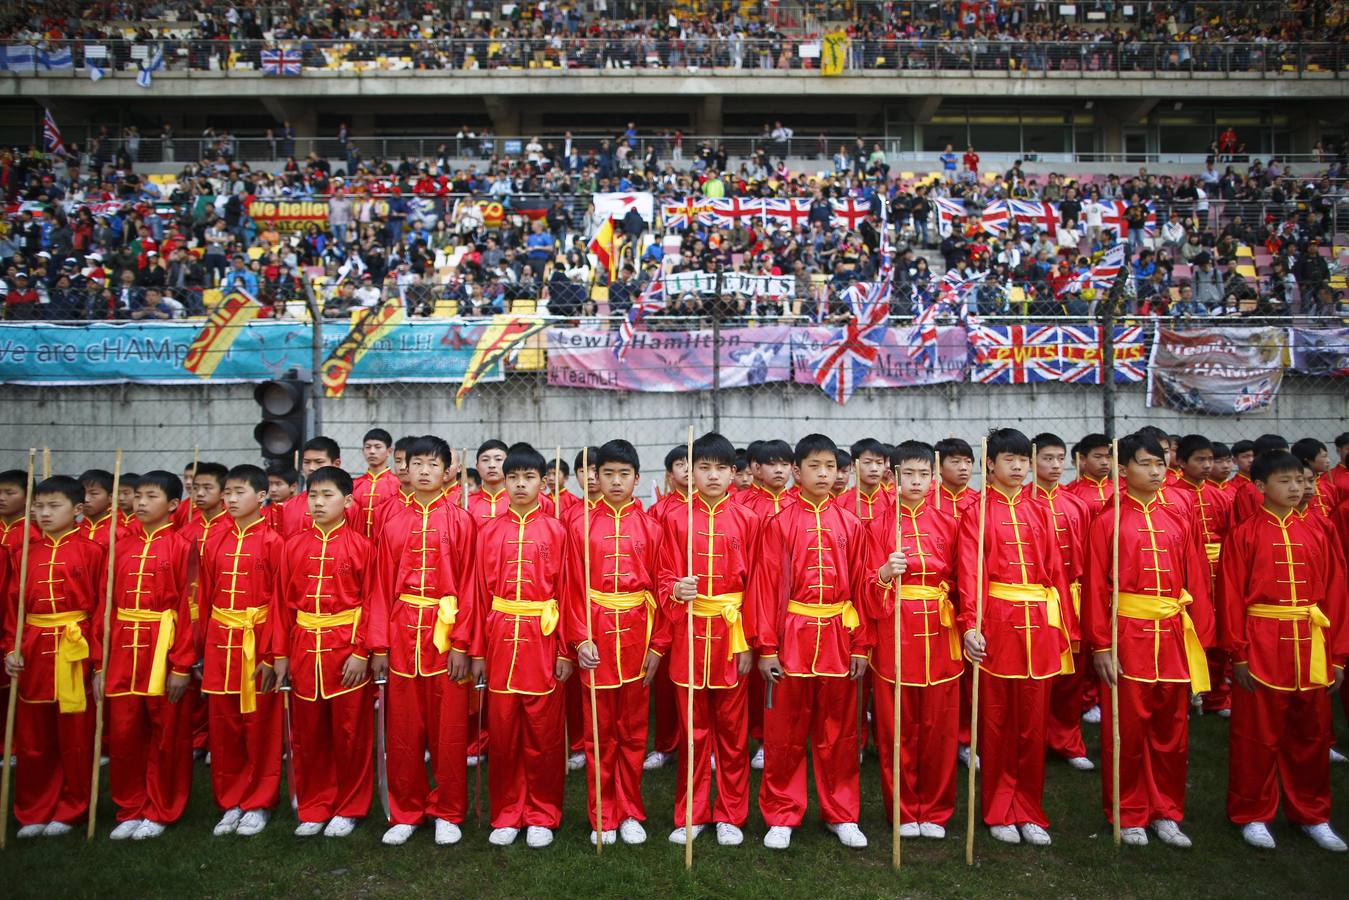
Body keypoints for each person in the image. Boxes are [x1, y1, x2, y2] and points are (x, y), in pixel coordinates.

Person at [1084, 433, 1214, 848]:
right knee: (1126, 729)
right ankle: (1128, 811)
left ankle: (1167, 812)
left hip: (1174, 632)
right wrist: (1102, 645)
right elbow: (1094, 590)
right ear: (1123, 470)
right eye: (1145, 464)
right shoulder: (1108, 520)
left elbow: (1196, 577)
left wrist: (1201, 641)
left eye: (1161, 464)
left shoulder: (1180, 514)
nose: (1156, 472)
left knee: (1172, 729)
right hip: (1128, 634)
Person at [1219, 450, 1348, 852]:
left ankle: (1312, 813)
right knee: (1256, 735)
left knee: (1310, 734)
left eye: (1300, 480)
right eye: (1285, 481)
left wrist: (1338, 654)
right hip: (1262, 641)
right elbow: (1230, 598)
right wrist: (1238, 654)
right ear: (1259, 487)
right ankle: (1253, 813)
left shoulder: (1320, 529)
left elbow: (1337, 594)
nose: (1296, 488)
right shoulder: (1244, 534)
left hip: (1311, 642)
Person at [751, 433, 874, 851]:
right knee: (784, 731)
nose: (824, 474)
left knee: (838, 733)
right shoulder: (779, 522)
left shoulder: (851, 523)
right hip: (791, 637)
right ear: (797, 472)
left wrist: (861, 645)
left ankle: (842, 812)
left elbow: (860, 586)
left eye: (830, 467)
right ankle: (782, 812)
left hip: (840, 636)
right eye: (814, 467)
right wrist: (766, 647)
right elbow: (765, 589)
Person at [959, 428, 1073, 846]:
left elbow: (1055, 572)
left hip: (1039, 625)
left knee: (1034, 723)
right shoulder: (977, 512)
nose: (1020, 466)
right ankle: (999, 807)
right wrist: (970, 624)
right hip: (998, 623)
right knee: (997, 723)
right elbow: (969, 573)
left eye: (1024, 459)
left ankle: (1030, 808)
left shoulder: (1041, 510)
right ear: (990, 463)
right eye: (1010, 459)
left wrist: (1063, 627)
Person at [368, 436, 479, 847]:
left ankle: (448, 810)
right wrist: (379, 645)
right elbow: (378, 585)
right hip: (401, 633)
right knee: (403, 730)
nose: (425, 471)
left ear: (448, 471)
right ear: (406, 469)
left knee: (449, 732)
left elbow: (471, 588)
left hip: (445, 635)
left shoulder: (462, 521)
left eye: (434, 464)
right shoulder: (391, 521)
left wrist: (463, 643)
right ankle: (407, 809)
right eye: (417, 463)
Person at [658, 432, 760, 847]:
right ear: (690, 472)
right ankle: (693, 811)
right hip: (689, 632)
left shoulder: (750, 520)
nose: (713, 475)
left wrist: (754, 642)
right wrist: (673, 590)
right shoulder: (674, 518)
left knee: (734, 734)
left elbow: (759, 586)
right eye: (704, 467)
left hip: (731, 634)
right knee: (694, 730)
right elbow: (661, 574)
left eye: (721, 468)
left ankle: (731, 813)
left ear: (734, 473)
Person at [564, 439, 667, 846]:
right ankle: (603, 814)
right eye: (607, 473)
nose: (616, 481)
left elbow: (662, 589)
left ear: (637, 479)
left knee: (633, 732)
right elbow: (570, 587)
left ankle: (630, 811)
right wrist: (578, 639)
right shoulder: (579, 525)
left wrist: (658, 646)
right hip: (596, 635)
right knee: (598, 733)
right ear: (596, 477)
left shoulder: (652, 528)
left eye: (624, 474)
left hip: (638, 637)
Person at [475, 444, 571, 849]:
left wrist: (566, 649)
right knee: (503, 732)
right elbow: (477, 595)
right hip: (499, 640)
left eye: (528, 477)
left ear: (542, 481)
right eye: (512, 477)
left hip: (542, 640)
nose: (519, 484)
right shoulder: (488, 532)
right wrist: (477, 651)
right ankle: (507, 811)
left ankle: (542, 813)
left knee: (543, 735)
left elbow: (568, 594)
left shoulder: (557, 531)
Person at [272, 466, 375, 838]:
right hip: (303, 649)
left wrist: (362, 651)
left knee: (351, 734)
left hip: (345, 650)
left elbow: (371, 603)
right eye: (313, 495)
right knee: (307, 733)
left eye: (327, 495)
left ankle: (351, 806)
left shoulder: (362, 547)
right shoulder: (293, 546)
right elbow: (281, 604)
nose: (318, 502)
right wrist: (280, 654)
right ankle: (315, 804)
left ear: (347, 501)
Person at [94, 469, 196, 840]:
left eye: (151, 497)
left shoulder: (184, 547)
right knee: (123, 732)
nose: (140, 503)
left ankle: (161, 806)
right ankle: (129, 805)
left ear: (172, 505)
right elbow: (103, 606)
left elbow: (190, 610)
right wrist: (99, 661)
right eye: (137, 496)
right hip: (122, 646)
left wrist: (182, 664)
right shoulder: (119, 545)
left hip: (162, 648)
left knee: (165, 732)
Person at [865, 441, 960, 839]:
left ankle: (935, 810)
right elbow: (865, 589)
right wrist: (885, 572)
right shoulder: (876, 525)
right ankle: (903, 809)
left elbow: (961, 583)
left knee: (939, 728)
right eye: (909, 474)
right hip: (895, 634)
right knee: (896, 727)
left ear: (934, 479)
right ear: (894, 477)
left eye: (924, 475)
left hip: (940, 634)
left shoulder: (951, 523)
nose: (917, 482)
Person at [2, 476, 104, 837]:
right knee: (33, 739)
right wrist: (11, 648)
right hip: (33, 651)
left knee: (75, 736)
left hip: (73, 651)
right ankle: (33, 809)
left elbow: (98, 610)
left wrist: (98, 663)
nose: (43, 513)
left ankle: (72, 806)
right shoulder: (23, 554)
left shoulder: (93, 552)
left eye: (53, 506)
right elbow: (13, 609)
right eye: (38, 506)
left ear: (77, 510)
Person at [198, 464, 286, 838]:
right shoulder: (213, 540)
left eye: (239, 492)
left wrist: (272, 654)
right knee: (224, 727)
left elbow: (281, 604)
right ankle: (230, 800)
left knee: (261, 727)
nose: (230, 499)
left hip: (258, 643)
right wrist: (201, 649)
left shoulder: (274, 542)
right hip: (221, 643)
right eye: (228, 492)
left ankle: (259, 801)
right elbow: (203, 597)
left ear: (261, 496)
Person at [1025, 434, 1094, 772]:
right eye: (1047, 458)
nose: (1054, 465)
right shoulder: (1023, 502)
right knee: (1035, 674)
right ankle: (1034, 738)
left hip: (1074, 596)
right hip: (1034, 600)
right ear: (1031, 461)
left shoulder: (1075, 504)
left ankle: (1068, 738)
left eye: (1059, 458)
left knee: (1071, 674)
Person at [1170, 435, 1236, 716]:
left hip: (1219, 572)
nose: (1207, 465)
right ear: (1182, 462)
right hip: (1189, 574)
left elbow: (1231, 538)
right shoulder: (1172, 495)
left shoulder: (1219, 495)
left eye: (1210, 459)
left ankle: (1217, 696)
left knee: (1220, 633)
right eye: (1200, 460)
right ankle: (1186, 690)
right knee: (1190, 631)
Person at [277, 437, 347, 537]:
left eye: (319, 462)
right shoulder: (288, 507)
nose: (311, 468)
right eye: (306, 462)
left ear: (336, 464)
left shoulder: (348, 506)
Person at [351, 428, 395, 540]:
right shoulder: (354, 485)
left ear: (389, 451)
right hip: (358, 546)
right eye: (368, 447)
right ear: (363, 450)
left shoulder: (398, 485)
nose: (372, 451)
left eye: (378, 447)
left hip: (387, 545)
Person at [838, 438, 894, 523]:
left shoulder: (893, 502)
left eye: (879, 463)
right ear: (853, 465)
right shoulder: (840, 503)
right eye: (867, 462)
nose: (874, 469)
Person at [1063, 433, 1115, 513]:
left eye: (1108, 457)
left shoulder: (1120, 490)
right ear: (1083, 459)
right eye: (1098, 457)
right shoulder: (1071, 493)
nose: (1105, 462)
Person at [931, 438, 980, 521]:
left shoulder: (978, 501)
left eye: (968, 461)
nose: (963, 468)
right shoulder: (927, 501)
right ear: (938, 467)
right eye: (955, 462)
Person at [466, 439, 509, 522]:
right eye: (485, 460)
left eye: (498, 459)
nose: (492, 465)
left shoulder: (519, 502)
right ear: (477, 466)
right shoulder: (466, 503)